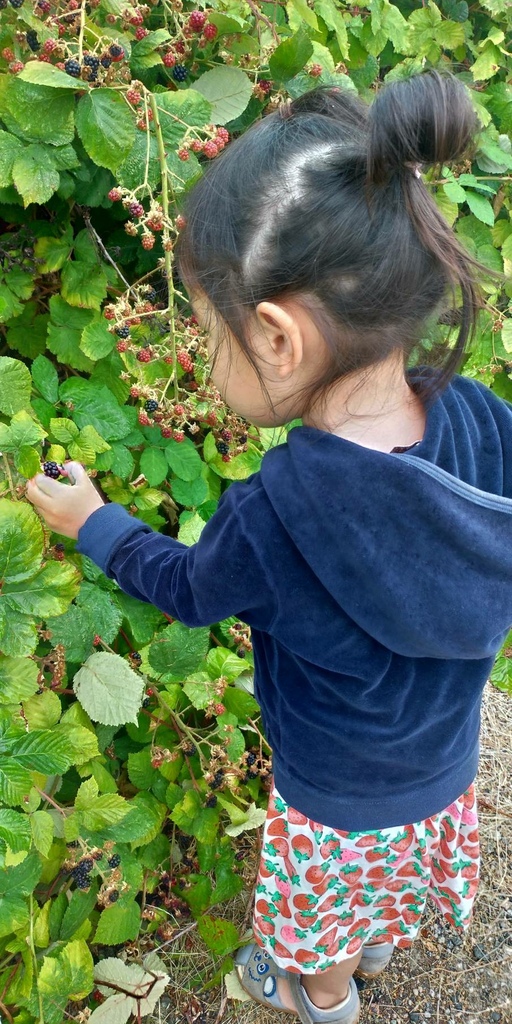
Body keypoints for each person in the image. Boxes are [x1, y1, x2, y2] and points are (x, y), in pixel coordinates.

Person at [27, 71, 512, 1024]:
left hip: (333, 800)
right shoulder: (483, 423)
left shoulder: (280, 510)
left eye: (209, 331)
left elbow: (190, 588)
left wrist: (97, 524)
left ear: (279, 338)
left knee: (319, 939)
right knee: (384, 892)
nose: (206, 359)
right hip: (442, 770)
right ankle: (373, 949)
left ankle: (325, 997)